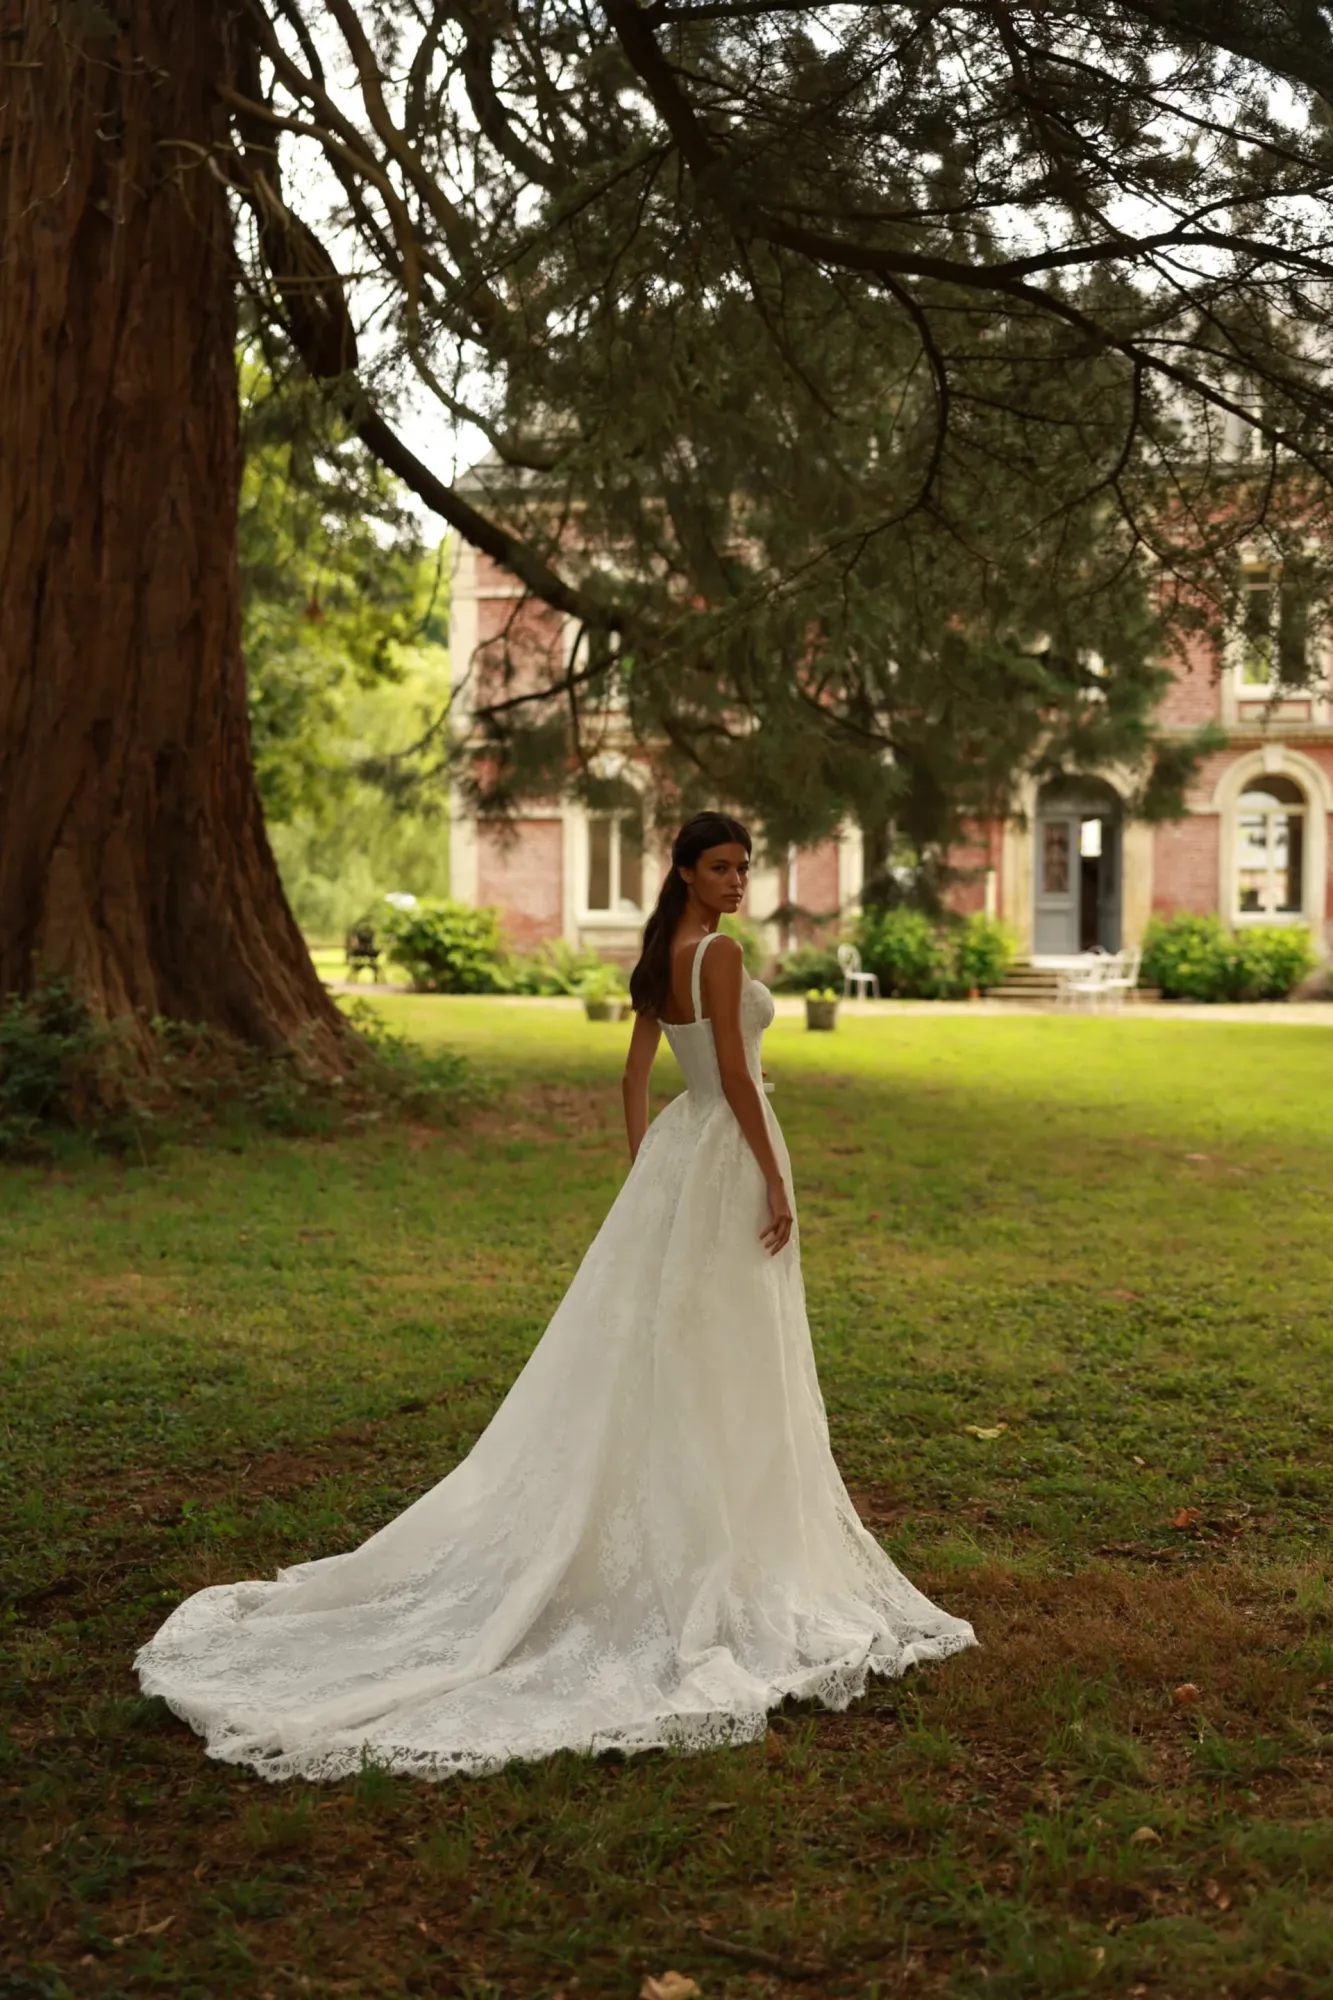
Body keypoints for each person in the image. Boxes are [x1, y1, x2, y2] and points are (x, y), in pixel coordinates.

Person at [135, 812, 974, 1781]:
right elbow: (739, 1079)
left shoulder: (659, 952)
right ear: (685, 871)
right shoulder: (719, 954)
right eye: (720, 866)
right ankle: (721, 1537)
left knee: (684, 1340)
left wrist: (647, 1166)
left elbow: (634, 1074)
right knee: (726, 1342)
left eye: (744, 866)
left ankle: (712, 1520)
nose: (737, 880)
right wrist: (775, 1180)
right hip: (727, 1153)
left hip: (682, 1152)